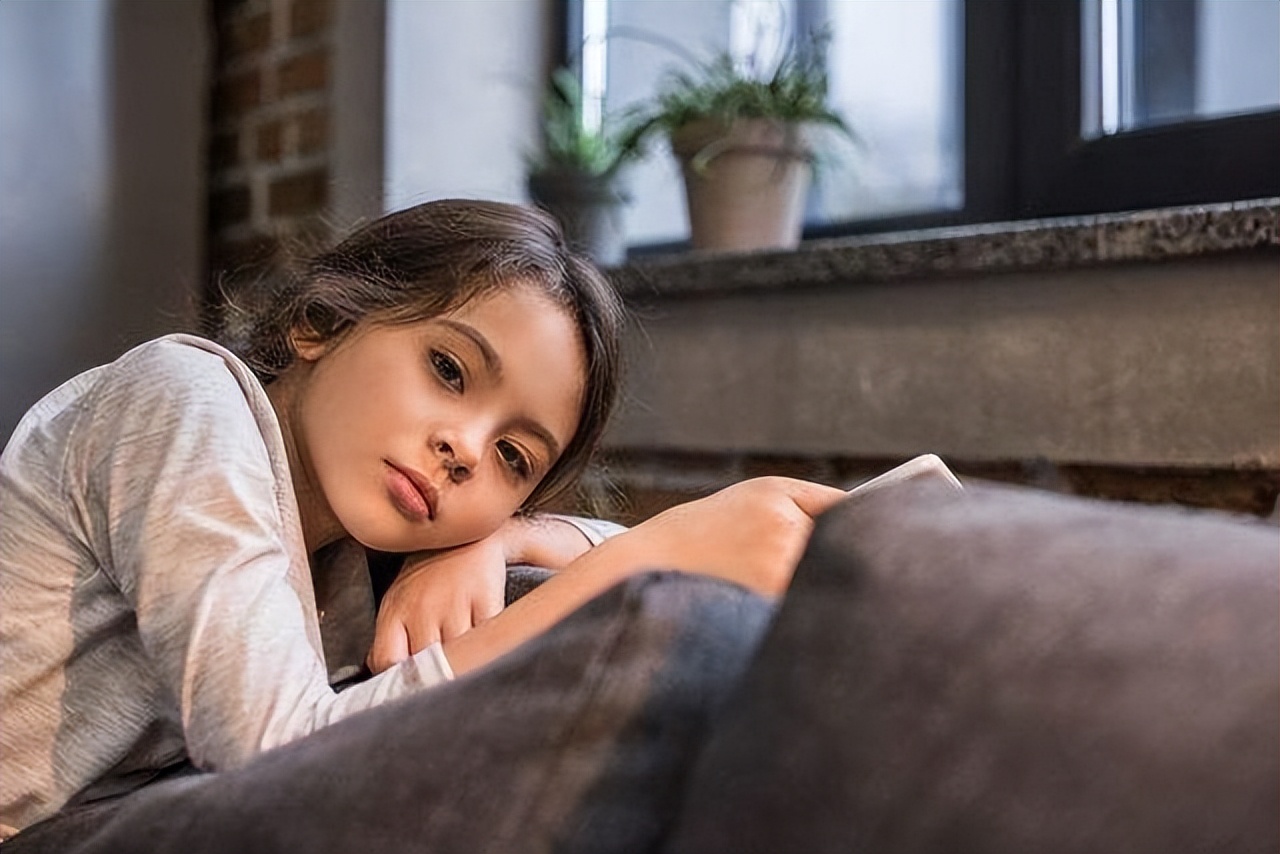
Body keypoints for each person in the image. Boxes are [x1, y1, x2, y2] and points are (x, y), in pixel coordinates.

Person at [0, 199, 845, 846]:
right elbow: (273, 754)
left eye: (515, 458)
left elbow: (660, 551)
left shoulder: (343, 567)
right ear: (320, 322)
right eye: (448, 368)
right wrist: (628, 566)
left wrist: (509, 539)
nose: (465, 448)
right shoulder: (184, 398)